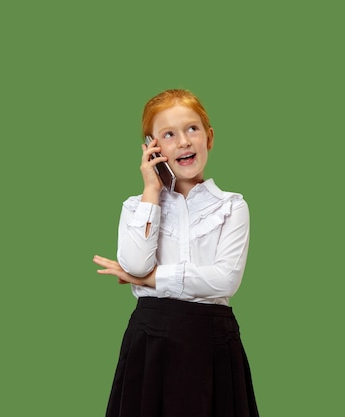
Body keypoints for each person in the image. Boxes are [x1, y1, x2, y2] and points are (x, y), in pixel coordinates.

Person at [93, 88, 259, 417]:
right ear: (151, 148)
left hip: (212, 341)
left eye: (192, 129)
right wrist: (151, 190)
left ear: (209, 138)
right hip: (150, 341)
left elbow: (225, 280)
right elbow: (135, 262)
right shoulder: (136, 207)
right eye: (168, 134)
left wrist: (150, 279)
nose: (183, 141)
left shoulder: (232, 207)